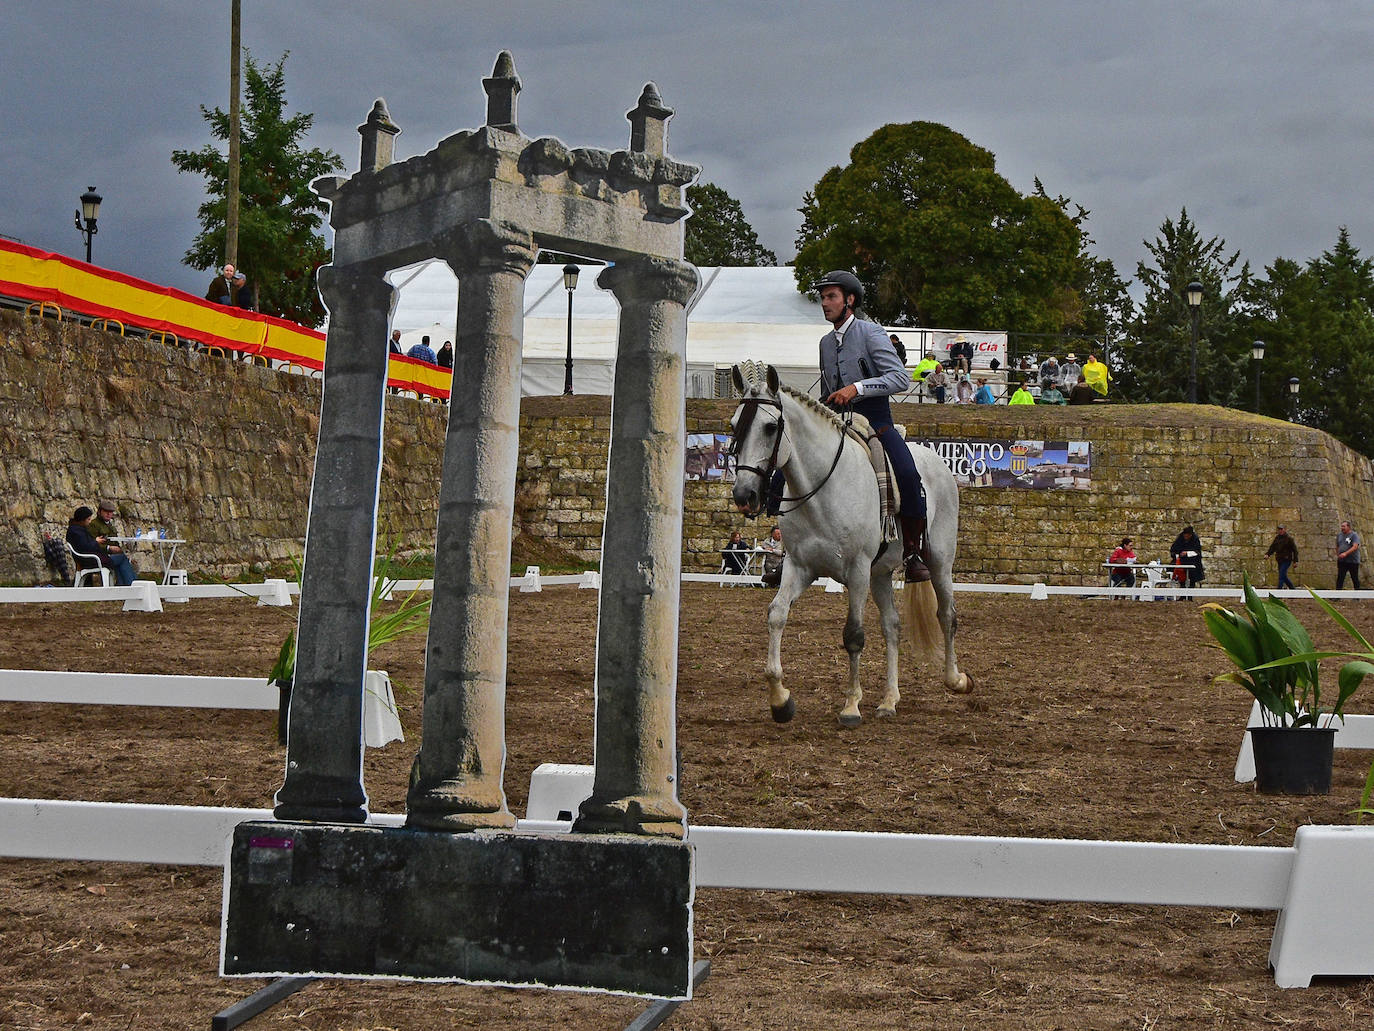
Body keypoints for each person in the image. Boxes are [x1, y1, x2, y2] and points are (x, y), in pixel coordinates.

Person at [814, 269, 930, 582]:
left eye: (831, 297)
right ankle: (795, 550)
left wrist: (858, 388)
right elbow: (830, 389)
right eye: (823, 297)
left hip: (875, 421)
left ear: (850, 300)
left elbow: (900, 378)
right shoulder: (825, 343)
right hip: (837, 420)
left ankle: (912, 551)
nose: (825, 303)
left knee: (907, 473)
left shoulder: (871, 333)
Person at [66, 506, 138, 586]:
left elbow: (85, 545)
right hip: (90, 560)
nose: (89, 522)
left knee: (119, 559)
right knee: (122, 558)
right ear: (82, 519)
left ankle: (124, 585)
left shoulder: (76, 530)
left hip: (89, 558)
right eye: (88, 519)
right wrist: (96, 541)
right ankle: (132, 584)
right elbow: (86, 547)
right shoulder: (77, 532)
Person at [1266, 525, 1298, 589]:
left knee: (1281, 576)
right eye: (1279, 529)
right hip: (1279, 559)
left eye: (1281, 529)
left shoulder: (1289, 539)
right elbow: (1273, 547)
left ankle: (1279, 591)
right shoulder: (1277, 538)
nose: (1280, 531)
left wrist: (1295, 561)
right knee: (1283, 576)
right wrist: (1268, 554)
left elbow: (1295, 550)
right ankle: (1293, 589)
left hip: (1287, 560)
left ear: (1284, 529)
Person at [1337, 520, 1361, 589]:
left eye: (1344, 526)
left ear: (1348, 527)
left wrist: (1345, 553)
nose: (1342, 528)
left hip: (1352, 561)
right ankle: (1336, 596)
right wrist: (1338, 554)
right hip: (1342, 561)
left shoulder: (1354, 535)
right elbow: (1338, 545)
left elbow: (1355, 546)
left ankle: (1357, 596)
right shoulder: (1339, 535)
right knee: (1340, 578)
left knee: (1354, 578)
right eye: (1341, 526)